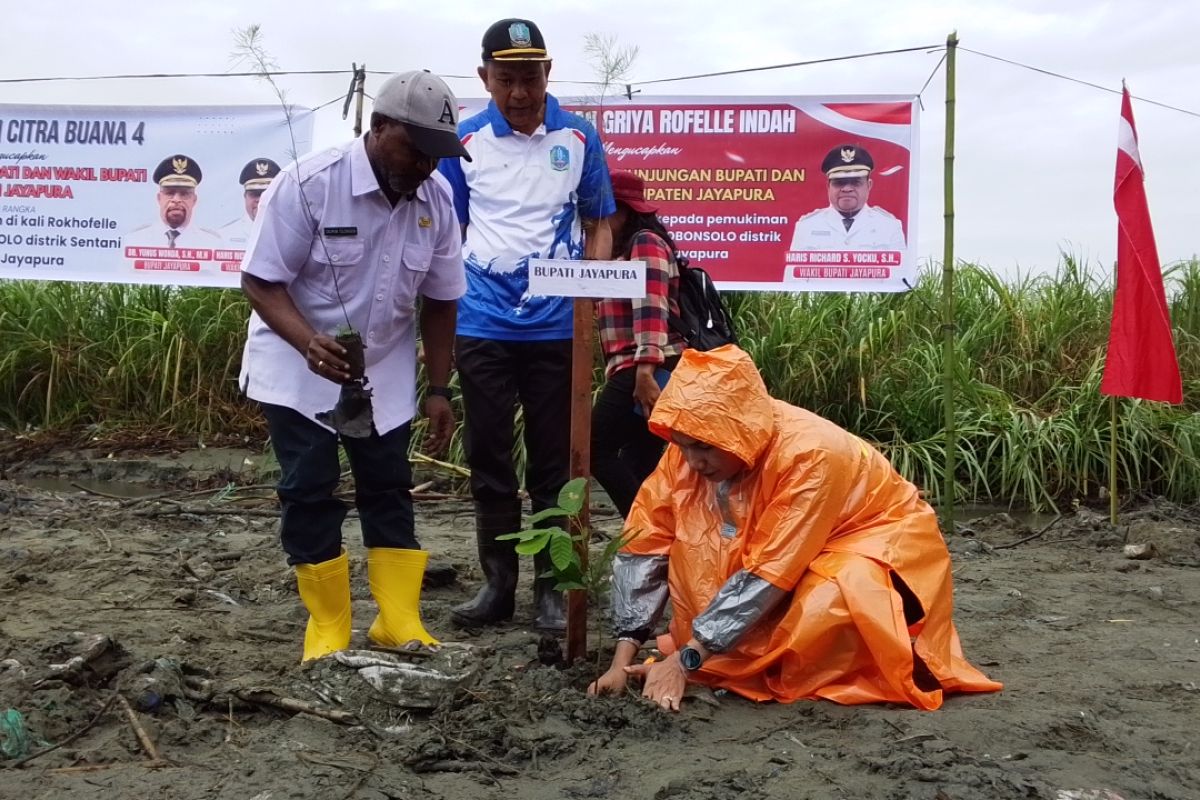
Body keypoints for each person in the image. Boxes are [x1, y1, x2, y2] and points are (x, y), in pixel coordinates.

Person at [588, 345, 1002, 711]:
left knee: (834, 599)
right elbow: (647, 541)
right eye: (683, 445)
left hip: (874, 536)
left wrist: (685, 660)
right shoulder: (688, 451)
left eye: (704, 448)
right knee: (691, 553)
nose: (692, 461)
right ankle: (726, 650)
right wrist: (621, 661)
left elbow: (771, 569)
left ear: (738, 434)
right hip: (791, 546)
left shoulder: (811, 455)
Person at [238, 70, 471, 663]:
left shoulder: (435, 199)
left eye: (436, 155)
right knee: (310, 489)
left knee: (389, 487)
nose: (425, 166)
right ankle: (328, 627)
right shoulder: (311, 184)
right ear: (379, 127)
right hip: (298, 367)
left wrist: (439, 387)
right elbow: (261, 280)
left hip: (383, 370)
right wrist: (306, 342)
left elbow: (442, 299)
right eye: (415, 150)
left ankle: (398, 620)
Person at [438, 18, 614, 633]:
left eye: (531, 78)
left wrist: (588, 298)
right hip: (482, 322)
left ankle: (550, 587)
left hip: (556, 328)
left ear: (549, 74)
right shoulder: (463, 142)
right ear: (485, 77)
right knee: (487, 455)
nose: (519, 93)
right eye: (506, 79)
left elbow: (598, 223)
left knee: (553, 464)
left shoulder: (579, 138)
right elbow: (447, 229)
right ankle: (497, 586)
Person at [592, 170, 686, 519]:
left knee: (593, 447)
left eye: (604, 211)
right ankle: (656, 542)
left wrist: (645, 371)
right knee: (638, 461)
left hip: (647, 365)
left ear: (624, 211)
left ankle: (648, 529)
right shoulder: (617, 252)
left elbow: (651, 305)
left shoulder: (644, 242)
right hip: (639, 365)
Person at [788, 144, 906, 252]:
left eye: (855, 182)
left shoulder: (889, 227)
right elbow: (793, 274)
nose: (847, 188)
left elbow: (900, 274)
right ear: (828, 186)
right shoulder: (807, 226)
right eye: (839, 182)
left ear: (869, 185)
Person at [124, 154, 223, 249]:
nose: (176, 200)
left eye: (184, 194)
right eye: (170, 193)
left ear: (194, 200)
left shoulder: (212, 244)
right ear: (159, 198)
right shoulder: (135, 241)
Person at [220, 158, 281, 247]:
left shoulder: (293, 234)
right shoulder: (224, 236)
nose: (260, 200)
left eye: (266, 194)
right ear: (245, 196)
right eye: (255, 194)